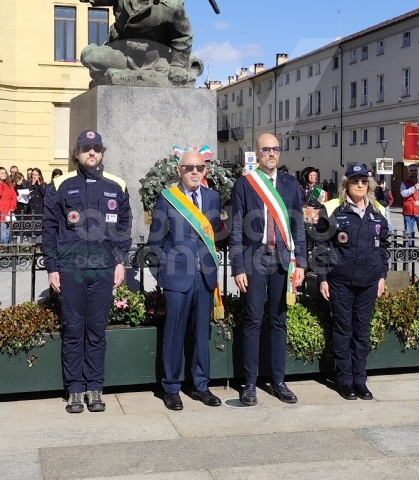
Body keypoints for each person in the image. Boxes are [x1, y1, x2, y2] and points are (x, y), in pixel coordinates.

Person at [42, 130, 133, 414]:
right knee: (73, 330)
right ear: (77, 153)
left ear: (102, 152)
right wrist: (52, 267)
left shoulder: (117, 184)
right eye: (85, 149)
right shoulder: (60, 184)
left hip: (104, 269)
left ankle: (95, 387)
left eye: (96, 148)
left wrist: (120, 261)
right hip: (71, 269)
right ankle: (75, 390)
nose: (91, 153)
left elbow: (124, 227)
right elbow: (49, 228)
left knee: (96, 331)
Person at [229, 132, 307, 407]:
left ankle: (278, 381)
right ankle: (249, 384)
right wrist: (237, 266)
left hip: (283, 260)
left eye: (275, 149)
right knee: (252, 320)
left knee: (278, 321)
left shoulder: (290, 183)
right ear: (257, 154)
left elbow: (298, 226)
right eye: (266, 149)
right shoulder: (245, 185)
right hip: (254, 260)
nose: (271, 153)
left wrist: (302, 264)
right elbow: (236, 227)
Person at [148, 148, 226, 411]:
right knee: (174, 333)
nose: (195, 172)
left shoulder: (213, 198)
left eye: (200, 168)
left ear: (205, 171)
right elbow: (155, 241)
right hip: (177, 278)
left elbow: (214, 235)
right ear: (179, 170)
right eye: (190, 167)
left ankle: (201, 386)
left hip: (205, 277)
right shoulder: (167, 199)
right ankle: (171, 388)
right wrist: (165, 271)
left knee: (201, 333)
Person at [314, 163, 389, 400]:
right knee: (343, 329)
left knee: (361, 331)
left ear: (370, 185)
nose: (359, 185)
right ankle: (345, 380)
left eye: (364, 181)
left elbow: (384, 247)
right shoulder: (333, 208)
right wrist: (323, 278)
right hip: (341, 281)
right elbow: (322, 245)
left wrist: (382, 277)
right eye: (355, 181)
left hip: (368, 281)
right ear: (346, 184)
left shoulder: (378, 210)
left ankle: (360, 379)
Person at [0, 167, 17, 244]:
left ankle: (5, 252)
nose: (4, 174)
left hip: (8, 212)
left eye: (5, 173)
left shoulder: (10, 185)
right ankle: (2, 252)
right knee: (3, 236)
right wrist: (0, 184)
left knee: (8, 235)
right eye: (1, 173)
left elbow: (13, 197)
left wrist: (12, 208)